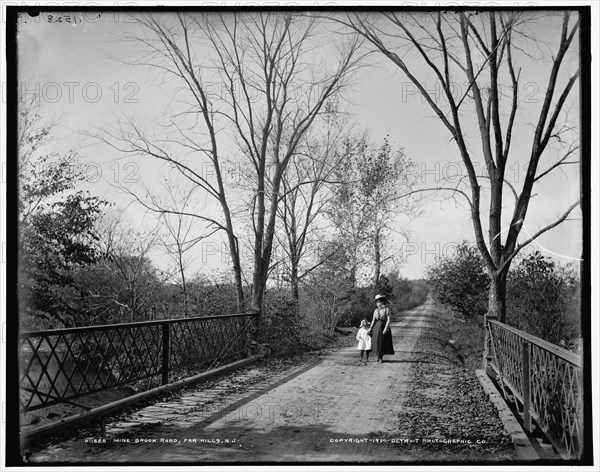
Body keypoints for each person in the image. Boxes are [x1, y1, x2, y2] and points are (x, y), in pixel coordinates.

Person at [368, 294, 395, 362]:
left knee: (382, 342)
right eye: (376, 302)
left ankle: (380, 357)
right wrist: (370, 328)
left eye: (378, 301)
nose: (377, 303)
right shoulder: (375, 310)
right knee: (376, 341)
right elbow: (373, 320)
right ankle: (378, 356)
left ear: (382, 302)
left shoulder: (387, 310)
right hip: (377, 326)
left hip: (383, 326)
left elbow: (389, 319)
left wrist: (386, 328)